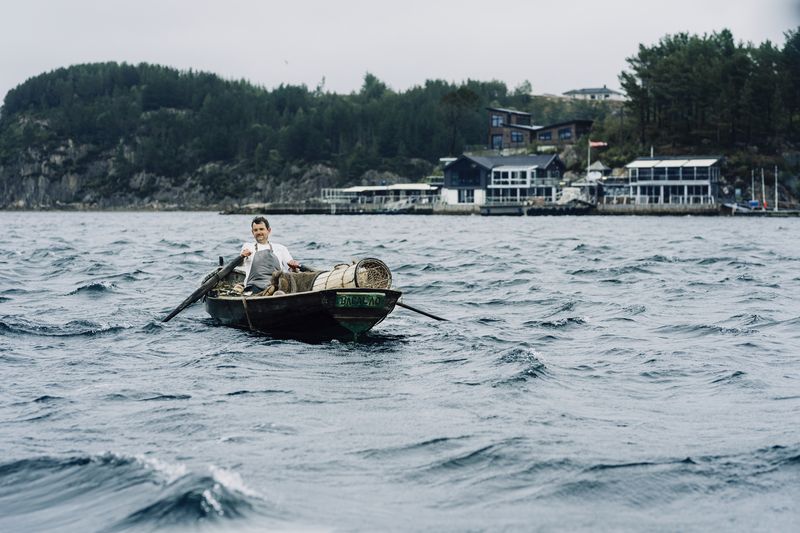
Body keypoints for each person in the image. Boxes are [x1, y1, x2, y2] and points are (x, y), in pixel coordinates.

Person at [240, 216, 300, 294]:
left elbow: (292, 272)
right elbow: (240, 264)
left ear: (269, 230)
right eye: (255, 230)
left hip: (276, 288)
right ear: (252, 232)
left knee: (279, 292)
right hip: (253, 289)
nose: (258, 232)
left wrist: (294, 267)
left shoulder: (281, 248)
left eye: (261, 229)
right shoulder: (247, 246)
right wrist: (242, 256)